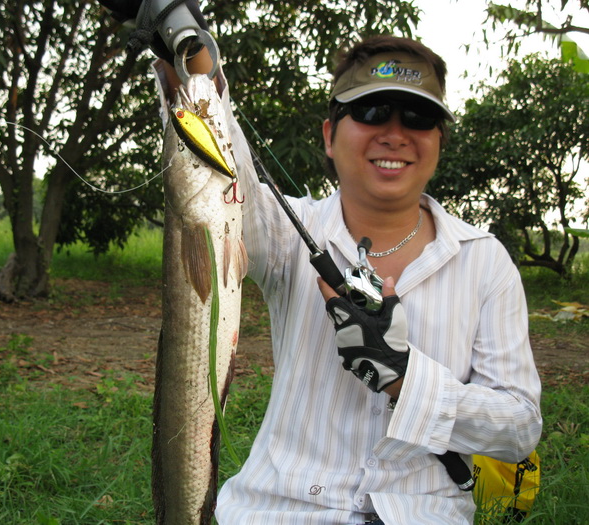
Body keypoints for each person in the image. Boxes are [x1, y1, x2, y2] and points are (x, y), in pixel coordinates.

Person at [102, 2, 543, 523]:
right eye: (372, 112)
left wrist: (404, 375)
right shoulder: (282, 231)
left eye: (419, 117)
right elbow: (214, 163)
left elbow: (517, 429)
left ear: (439, 142)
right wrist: (185, 48)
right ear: (331, 136)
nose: (395, 134)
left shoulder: (485, 263)